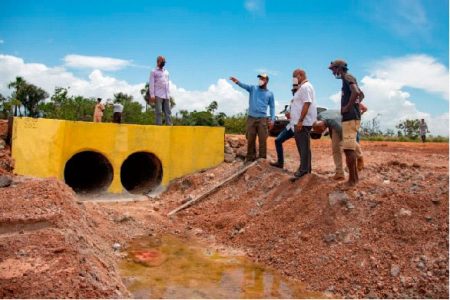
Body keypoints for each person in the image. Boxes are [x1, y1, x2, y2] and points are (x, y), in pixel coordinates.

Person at [328, 59, 362, 187]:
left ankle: (352, 180)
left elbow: (356, 92)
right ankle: (354, 179)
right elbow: (361, 94)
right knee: (349, 149)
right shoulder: (347, 78)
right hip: (351, 117)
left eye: (333, 69)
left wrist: (347, 107)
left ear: (339, 68)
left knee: (349, 150)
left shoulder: (347, 76)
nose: (333, 73)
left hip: (350, 117)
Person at [229, 74, 275, 162]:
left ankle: (262, 159)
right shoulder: (253, 88)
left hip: (262, 119)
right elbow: (244, 86)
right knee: (250, 138)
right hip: (251, 118)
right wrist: (237, 82)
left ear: (267, 81)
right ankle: (250, 157)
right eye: (259, 78)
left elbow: (272, 107)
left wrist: (272, 119)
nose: (260, 80)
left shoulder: (270, 94)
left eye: (262, 78)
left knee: (262, 140)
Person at [312, 109, 364, 181]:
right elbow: (329, 126)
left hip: (345, 122)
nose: (322, 133)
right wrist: (332, 137)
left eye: (321, 131)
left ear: (323, 127)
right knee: (335, 148)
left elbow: (347, 137)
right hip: (335, 119)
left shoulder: (336, 125)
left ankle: (360, 156)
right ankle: (339, 173)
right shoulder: (319, 117)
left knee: (349, 141)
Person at [289, 69, 317, 182]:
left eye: (294, 77)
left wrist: (300, 120)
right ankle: (305, 169)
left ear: (300, 75)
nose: (294, 80)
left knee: (303, 147)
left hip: (303, 123)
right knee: (303, 147)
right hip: (299, 122)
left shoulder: (306, 87)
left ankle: (304, 170)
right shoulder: (303, 87)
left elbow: (307, 103)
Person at [269, 84, 299, 169]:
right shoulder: (292, 101)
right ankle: (280, 163)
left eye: (296, 91)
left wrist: (290, 114)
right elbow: (288, 114)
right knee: (278, 140)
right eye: (293, 91)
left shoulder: (302, 101)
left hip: (299, 127)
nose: (294, 92)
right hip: (291, 126)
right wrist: (288, 114)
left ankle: (305, 169)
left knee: (301, 147)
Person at [149, 55, 172, 125]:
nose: (164, 63)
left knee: (168, 111)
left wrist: (169, 94)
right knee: (159, 111)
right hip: (158, 94)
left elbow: (167, 83)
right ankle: (159, 126)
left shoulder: (166, 72)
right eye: (163, 61)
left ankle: (169, 125)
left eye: (164, 62)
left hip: (166, 94)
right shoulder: (153, 71)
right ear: (158, 62)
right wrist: (152, 95)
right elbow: (151, 83)